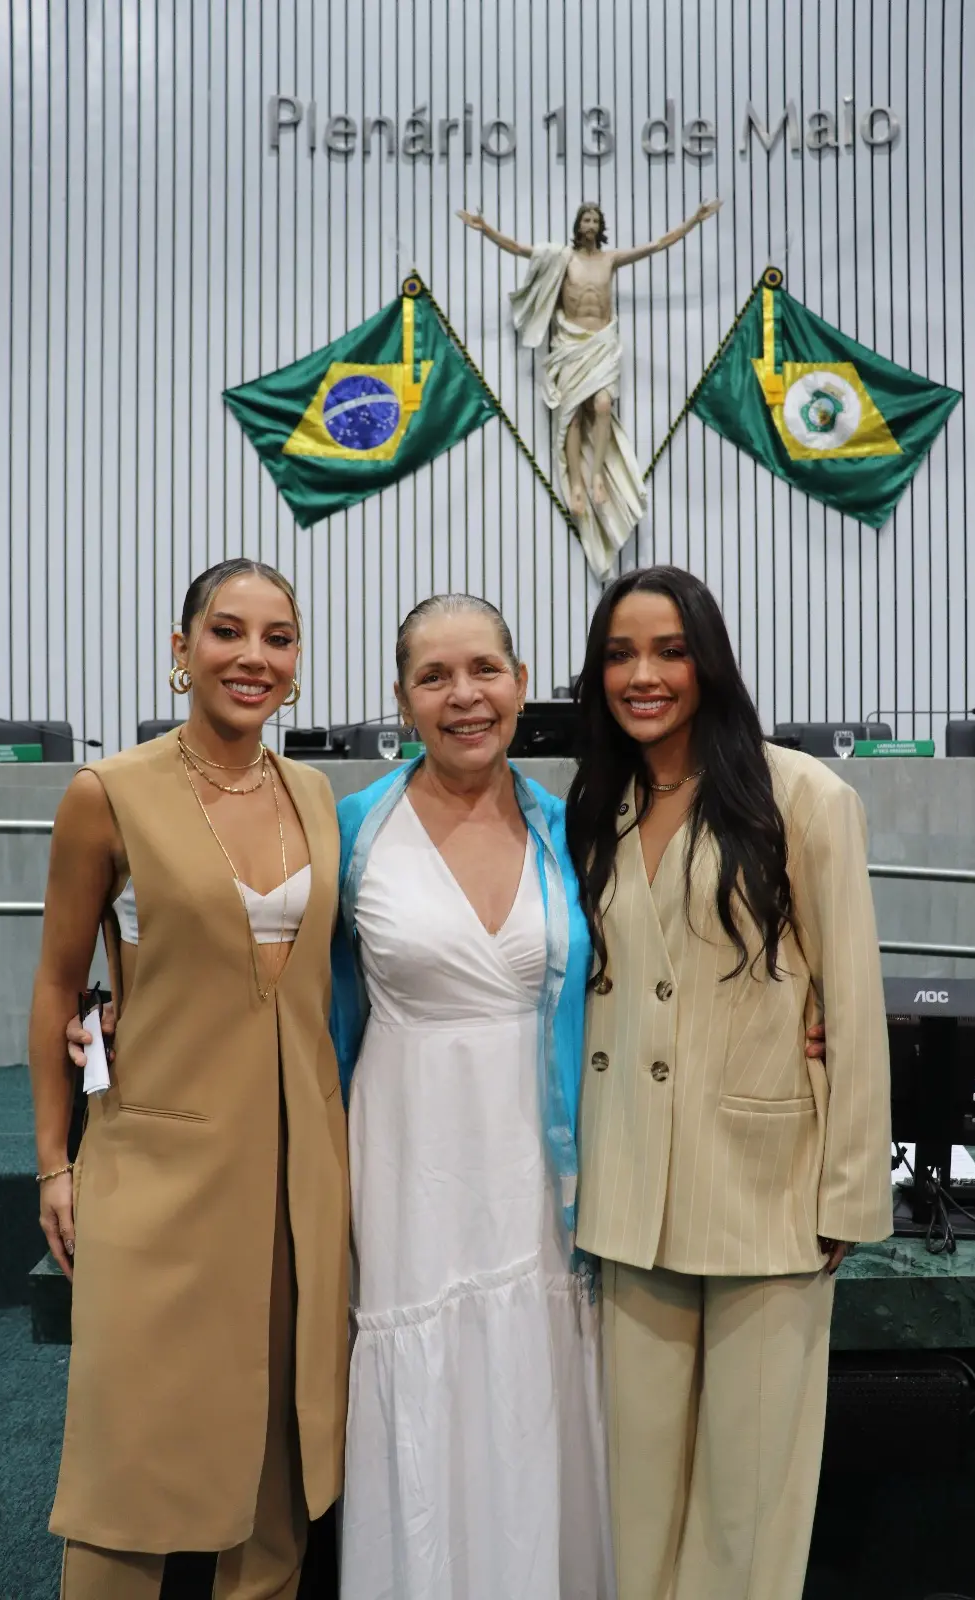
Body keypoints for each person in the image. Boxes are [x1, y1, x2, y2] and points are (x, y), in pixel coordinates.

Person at [566, 565, 893, 1600]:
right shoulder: (595, 801)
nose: (642, 674)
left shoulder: (801, 794)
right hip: (629, 1191)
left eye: (667, 650)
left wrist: (847, 1186)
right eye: (619, 653)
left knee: (747, 1509)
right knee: (638, 1499)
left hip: (762, 1182)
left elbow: (850, 1002)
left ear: (709, 659)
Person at [30, 557, 349, 1599]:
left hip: (298, 1174)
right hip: (157, 1166)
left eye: (278, 637)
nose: (252, 656)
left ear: (296, 664)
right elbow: (56, 984)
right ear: (181, 652)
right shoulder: (106, 793)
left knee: (273, 1461)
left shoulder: (317, 795)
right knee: (134, 1452)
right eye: (226, 631)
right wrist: (51, 1164)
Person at [330, 594, 614, 1600]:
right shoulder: (351, 829)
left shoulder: (571, 826)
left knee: (539, 1375)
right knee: (425, 1373)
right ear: (401, 699)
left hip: (540, 1161)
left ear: (522, 681)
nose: (464, 696)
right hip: (410, 1152)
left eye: (484, 669)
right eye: (434, 677)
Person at [457, 199, 721, 577]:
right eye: (586, 217)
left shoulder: (610, 259)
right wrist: (485, 228)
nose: (591, 223)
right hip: (569, 343)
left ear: (601, 225)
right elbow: (518, 249)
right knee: (570, 417)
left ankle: (597, 474)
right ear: (577, 224)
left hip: (601, 344)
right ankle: (577, 484)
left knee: (601, 405)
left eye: (596, 218)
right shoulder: (561, 258)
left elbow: (657, 245)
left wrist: (694, 220)